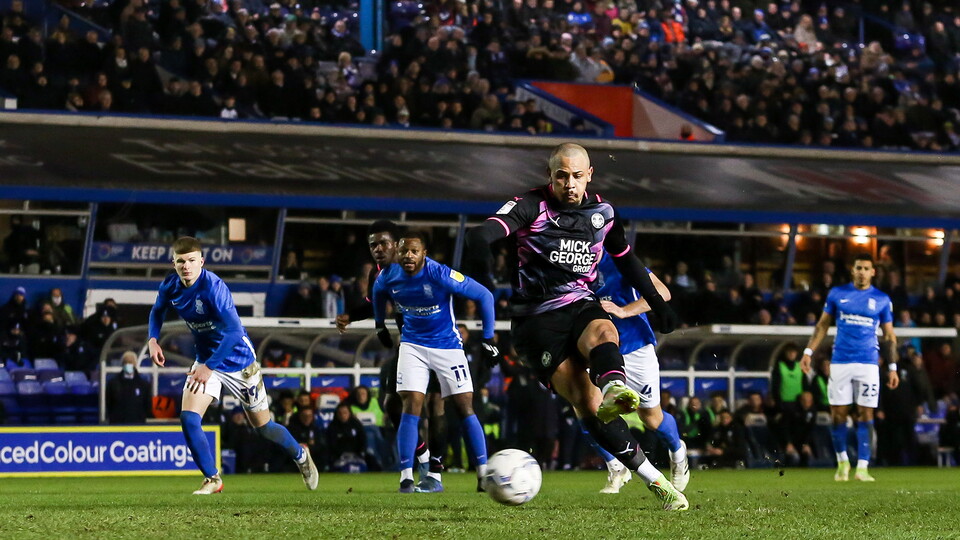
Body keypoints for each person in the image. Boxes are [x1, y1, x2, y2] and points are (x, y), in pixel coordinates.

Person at [464, 143, 686, 511]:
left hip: (579, 303)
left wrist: (659, 305)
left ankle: (615, 384)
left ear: (590, 175)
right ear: (550, 176)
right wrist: (484, 281)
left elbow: (628, 260)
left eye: (577, 175)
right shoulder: (530, 206)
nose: (569, 183)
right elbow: (478, 236)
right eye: (561, 175)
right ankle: (656, 480)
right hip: (535, 323)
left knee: (604, 330)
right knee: (587, 405)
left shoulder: (603, 213)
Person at [148, 236, 318, 495]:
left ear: (201, 262)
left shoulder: (213, 288)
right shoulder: (171, 285)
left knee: (264, 428)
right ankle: (212, 478)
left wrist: (208, 366)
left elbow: (234, 332)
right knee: (189, 418)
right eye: (180, 261)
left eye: (192, 260)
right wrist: (153, 339)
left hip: (239, 362)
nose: (186, 266)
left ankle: (301, 455)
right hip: (206, 361)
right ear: (173, 263)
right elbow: (157, 310)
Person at [373, 231, 499, 493]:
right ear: (397, 252)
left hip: (448, 347)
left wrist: (487, 339)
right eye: (404, 250)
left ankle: (483, 475)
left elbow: (485, 295)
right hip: (413, 346)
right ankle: (406, 477)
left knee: (465, 406)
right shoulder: (388, 276)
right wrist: (379, 326)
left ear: (424, 254)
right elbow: (377, 293)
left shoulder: (440, 273)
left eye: (414, 251)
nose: (409, 256)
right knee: (411, 403)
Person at [336, 220, 443, 491]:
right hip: (407, 347)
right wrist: (354, 316)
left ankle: (442, 467)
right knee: (392, 405)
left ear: (398, 244)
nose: (378, 249)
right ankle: (424, 457)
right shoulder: (379, 275)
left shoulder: (419, 270)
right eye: (373, 245)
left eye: (384, 243)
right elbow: (376, 304)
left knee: (435, 407)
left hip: (435, 344)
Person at [588, 252, 689, 494]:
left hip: (634, 347)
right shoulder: (574, 264)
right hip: (597, 349)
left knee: (651, 419)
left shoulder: (620, 261)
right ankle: (616, 466)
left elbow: (663, 293)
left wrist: (624, 311)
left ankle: (677, 451)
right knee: (586, 406)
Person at [801, 254, 900, 482]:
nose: (862, 272)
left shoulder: (882, 299)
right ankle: (843, 462)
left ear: (873, 272)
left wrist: (893, 367)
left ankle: (863, 467)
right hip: (841, 361)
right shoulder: (837, 294)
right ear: (852, 270)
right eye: (859, 268)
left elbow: (889, 335)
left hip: (868, 363)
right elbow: (822, 325)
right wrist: (808, 352)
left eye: (866, 268)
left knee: (866, 414)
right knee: (839, 415)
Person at [105, 351, 152, 424]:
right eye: (126, 362)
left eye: (131, 362)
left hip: (137, 424)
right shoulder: (113, 384)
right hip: (118, 424)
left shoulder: (143, 385)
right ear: (122, 364)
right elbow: (109, 404)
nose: (128, 365)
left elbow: (147, 405)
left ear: (135, 364)